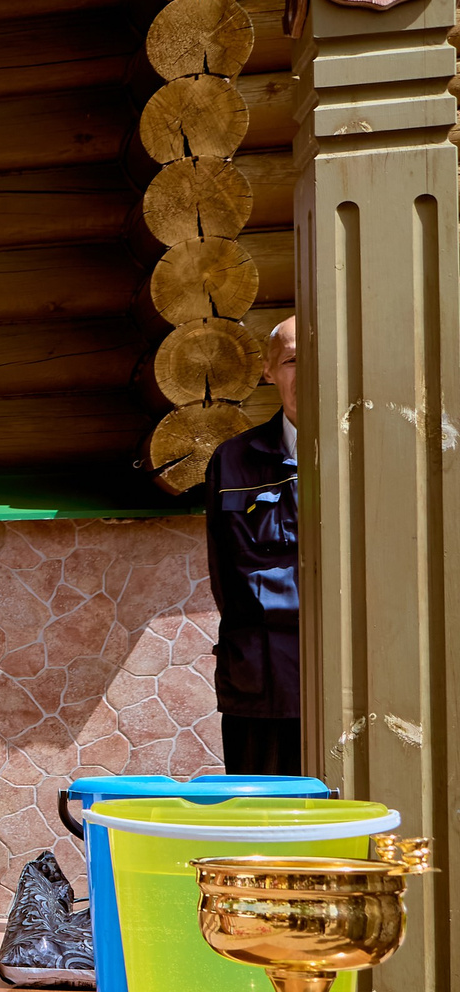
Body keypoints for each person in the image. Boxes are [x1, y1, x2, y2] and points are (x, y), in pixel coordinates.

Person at [204, 317, 301, 774]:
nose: (309, 373)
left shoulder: (371, 453)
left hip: (356, 694)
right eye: (294, 360)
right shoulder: (234, 461)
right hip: (261, 690)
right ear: (268, 371)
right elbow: (225, 579)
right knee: (264, 832)